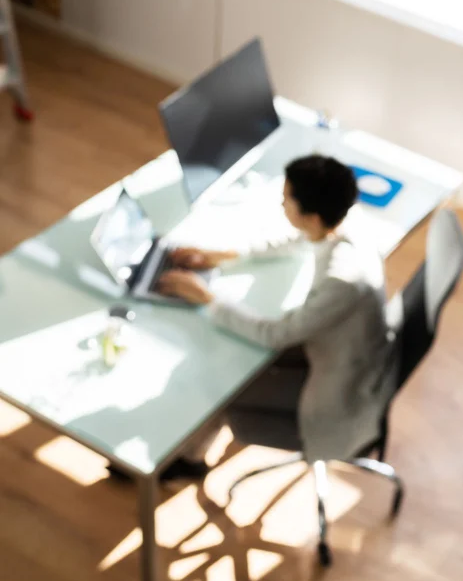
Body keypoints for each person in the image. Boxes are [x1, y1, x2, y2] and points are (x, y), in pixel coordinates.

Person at [152, 154, 395, 481]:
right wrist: (220, 256)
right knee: (230, 353)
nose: (281, 204)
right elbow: (296, 240)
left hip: (338, 389)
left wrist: (206, 297)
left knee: (219, 382)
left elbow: (275, 335)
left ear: (310, 215)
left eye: (286, 199)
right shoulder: (346, 219)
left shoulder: (342, 281)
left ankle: (188, 462)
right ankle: (191, 452)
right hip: (346, 349)